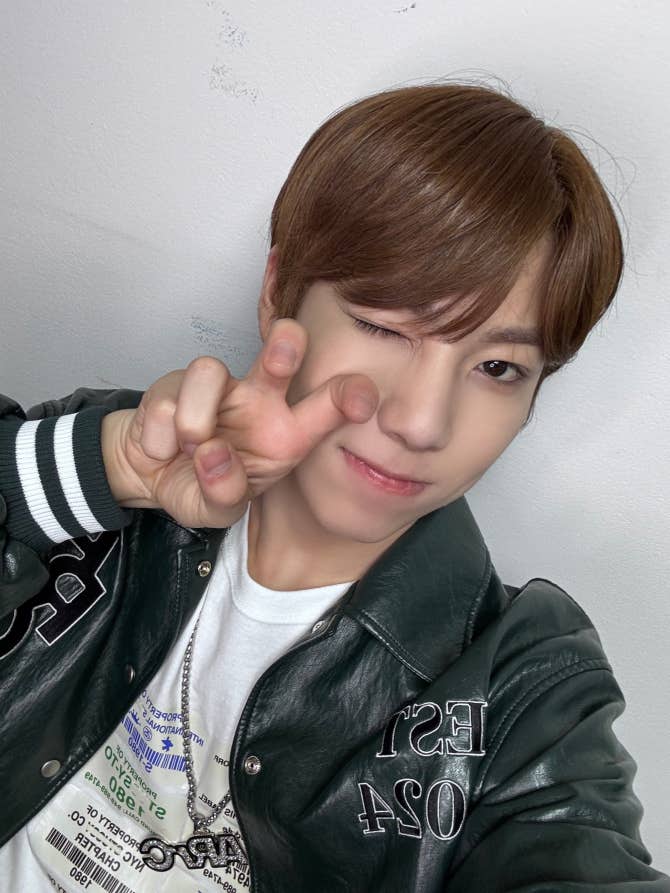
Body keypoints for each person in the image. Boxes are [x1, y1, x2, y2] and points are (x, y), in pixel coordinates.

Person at [0, 82, 667, 892]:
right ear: (277, 290)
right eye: (384, 324)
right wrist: (108, 467)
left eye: (497, 367)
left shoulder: (520, 686)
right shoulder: (102, 464)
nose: (422, 421)